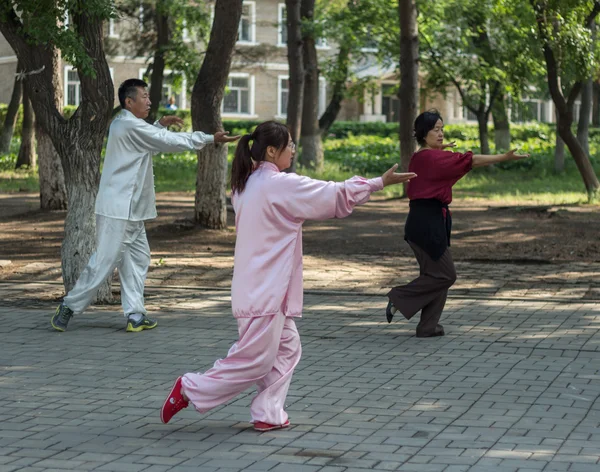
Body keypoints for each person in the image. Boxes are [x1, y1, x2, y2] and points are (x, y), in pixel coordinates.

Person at [160, 120, 417, 430]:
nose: (293, 150)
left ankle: (268, 413)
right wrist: (377, 182)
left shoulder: (246, 185)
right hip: (265, 289)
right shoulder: (278, 184)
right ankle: (190, 388)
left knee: (287, 348)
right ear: (271, 150)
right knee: (253, 360)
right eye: (289, 145)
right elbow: (330, 193)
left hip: (261, 286)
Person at [51, 78, 239, 333]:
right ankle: (69, 306)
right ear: (129, 102)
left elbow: (150, 138)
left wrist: (159, 124)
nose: (149, 101)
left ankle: (135, 315)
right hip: (120, 208)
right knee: (105, 262)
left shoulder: (127, 124)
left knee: (138, 258)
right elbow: (167, 142)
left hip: (131, 209)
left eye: (149, 96)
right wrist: (210, 138)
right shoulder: (128, 125)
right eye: (144, 96)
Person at [385, 110, 529, 337]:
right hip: (427, 223)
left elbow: (433, 163)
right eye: (436, 130)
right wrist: (504, 157)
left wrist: (439, 148)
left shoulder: (422, 155)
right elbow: (470, 160)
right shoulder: (432, 158)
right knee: (445, 275)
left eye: (442, 129)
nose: (441, 134)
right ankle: (399, 298)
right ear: (424, 133)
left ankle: (428, 326)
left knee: (435, 276)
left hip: (425, 221)